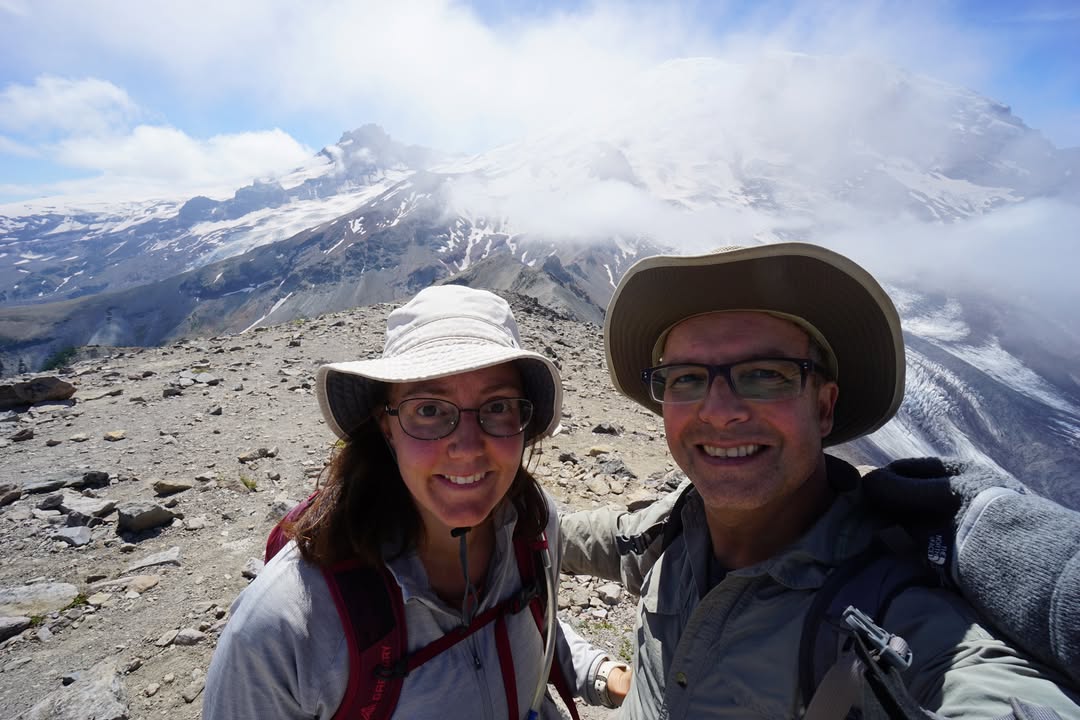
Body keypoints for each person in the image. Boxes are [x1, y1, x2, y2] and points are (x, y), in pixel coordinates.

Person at [559, 243, 1080, 719]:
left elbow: (980, 685)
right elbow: (580, 535)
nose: (718, 412)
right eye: (687, 378)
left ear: (824, 407)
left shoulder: (888, 611)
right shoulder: (674, 526)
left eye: (766, 374)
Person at [203, 285, 627, 719]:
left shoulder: (531, 524)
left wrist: (601, 673)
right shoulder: (282, 627)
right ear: (386, 426)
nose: (467, 447)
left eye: (497, 406)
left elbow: (533, 623)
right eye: (429, 409)